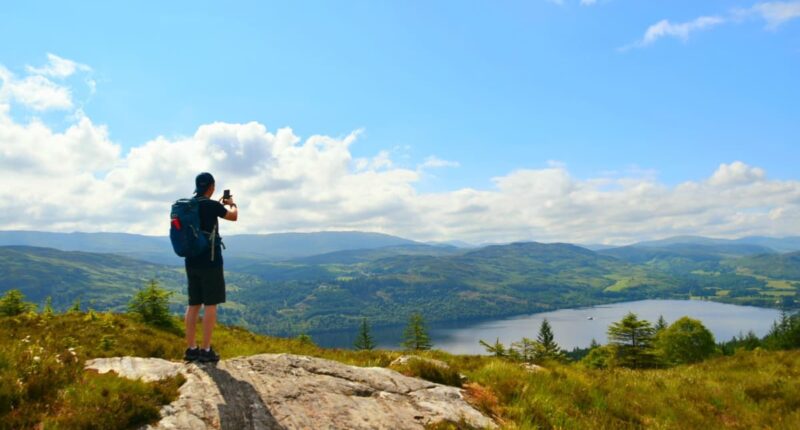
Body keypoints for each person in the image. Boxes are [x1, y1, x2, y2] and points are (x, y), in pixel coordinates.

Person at [183, 172, 238, 363]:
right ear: (212, 187)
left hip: (191, 261)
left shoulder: (189, 205)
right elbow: (233, 217)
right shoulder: (212, 206)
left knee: (193, 305)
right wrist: (232, 204)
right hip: (210, 261)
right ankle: (206, 350)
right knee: (210, 305)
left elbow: (203, 210)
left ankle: (191, 349)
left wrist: (217, 203)